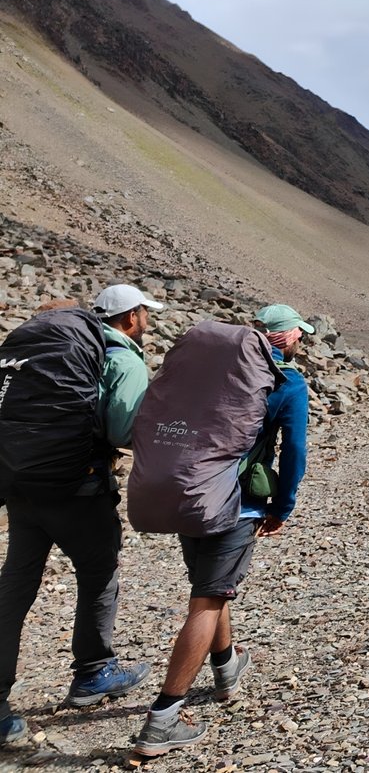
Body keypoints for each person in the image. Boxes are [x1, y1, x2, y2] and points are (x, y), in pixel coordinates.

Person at [132, 304, 312, 758]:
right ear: (286, 338)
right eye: (298, 334)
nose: (302, 340)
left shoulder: (212, 378)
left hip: (186, 494)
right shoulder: (286, 384)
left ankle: (226, 667)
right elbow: (293, 451)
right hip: (235, 507)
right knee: (207, 600)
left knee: (212, 587)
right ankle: (162, 718)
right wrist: (282, 507)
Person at [0, 285, 161, 744]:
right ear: (131, 317)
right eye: (145, 313)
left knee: (15, 586)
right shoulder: (123, 359)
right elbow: (124, 429)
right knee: (99, 573)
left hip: (22, 483)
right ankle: (93, 673)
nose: (147, 320)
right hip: (78, 487)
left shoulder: (54, 349)